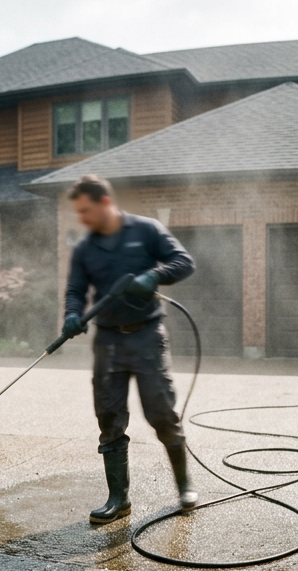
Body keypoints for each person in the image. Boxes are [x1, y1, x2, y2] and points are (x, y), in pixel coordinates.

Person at [60, 175, 198, 524]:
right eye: (79, 212)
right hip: (108, 341)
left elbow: (184, 261)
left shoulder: (146, 230)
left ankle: (184, 487)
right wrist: (73, 315)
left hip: (147, 336)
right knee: (109, 418)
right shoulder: (85, 248)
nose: (83, 219)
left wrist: (154, 276)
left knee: (162, 415)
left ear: (105, 202)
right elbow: (75, 289)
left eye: (86, 211)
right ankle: (118, 499)